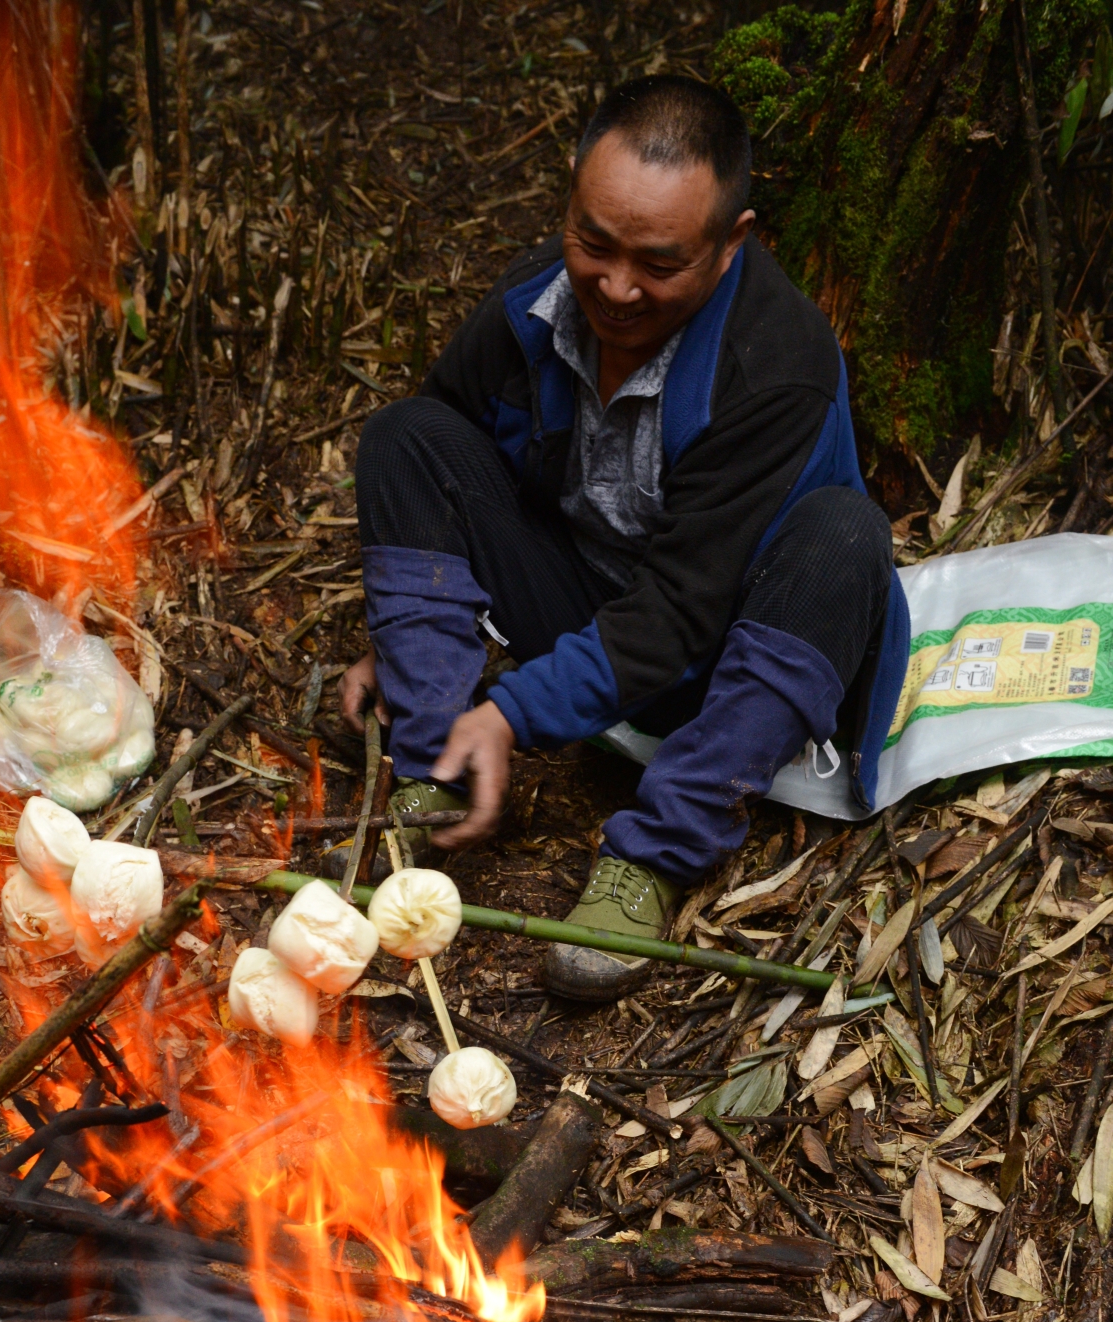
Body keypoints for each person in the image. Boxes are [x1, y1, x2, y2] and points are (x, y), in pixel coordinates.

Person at [342, 75, 908, 1000]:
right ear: (571, 194)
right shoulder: (537, 298)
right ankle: (438, 759)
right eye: (592, 242)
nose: (614, 285)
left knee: (848, 537)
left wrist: (515, 710)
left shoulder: (780, 362)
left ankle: (652, 856)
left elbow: (686, 606)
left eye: (658, 263)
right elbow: (447, 445)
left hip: (732, 650)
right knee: (407, 435)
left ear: (733, 242)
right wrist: (412, 624)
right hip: (587, 606)